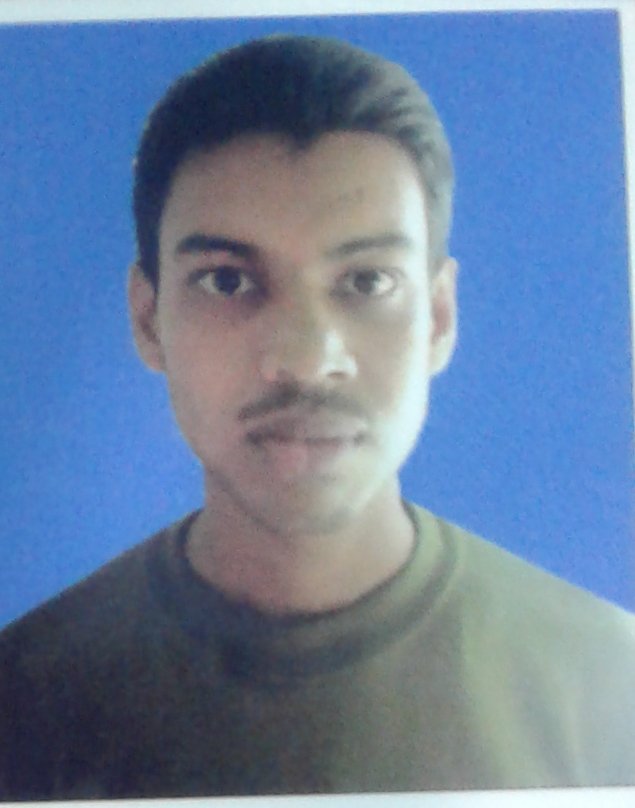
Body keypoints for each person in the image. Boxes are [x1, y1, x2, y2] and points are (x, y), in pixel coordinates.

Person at [1, 33, 633, 801]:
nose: (304, 359)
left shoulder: (611, 692)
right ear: (147, 318)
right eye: (226, 281)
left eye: (366, 281)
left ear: (437, 319)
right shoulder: (22, 702)